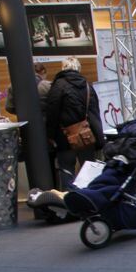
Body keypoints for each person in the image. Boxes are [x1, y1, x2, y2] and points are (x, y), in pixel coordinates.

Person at [44, 57, 104, 189]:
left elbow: (52, 113)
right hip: (86, 135)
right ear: (78, 68)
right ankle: (89, 200)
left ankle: (70, 201)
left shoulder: (58, 86)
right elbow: (94, 113)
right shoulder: (87, 86)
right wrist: (98, 137)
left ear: (63, 68)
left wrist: (50, 135)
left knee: (66, 169)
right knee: (88, 169)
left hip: (64, 136)